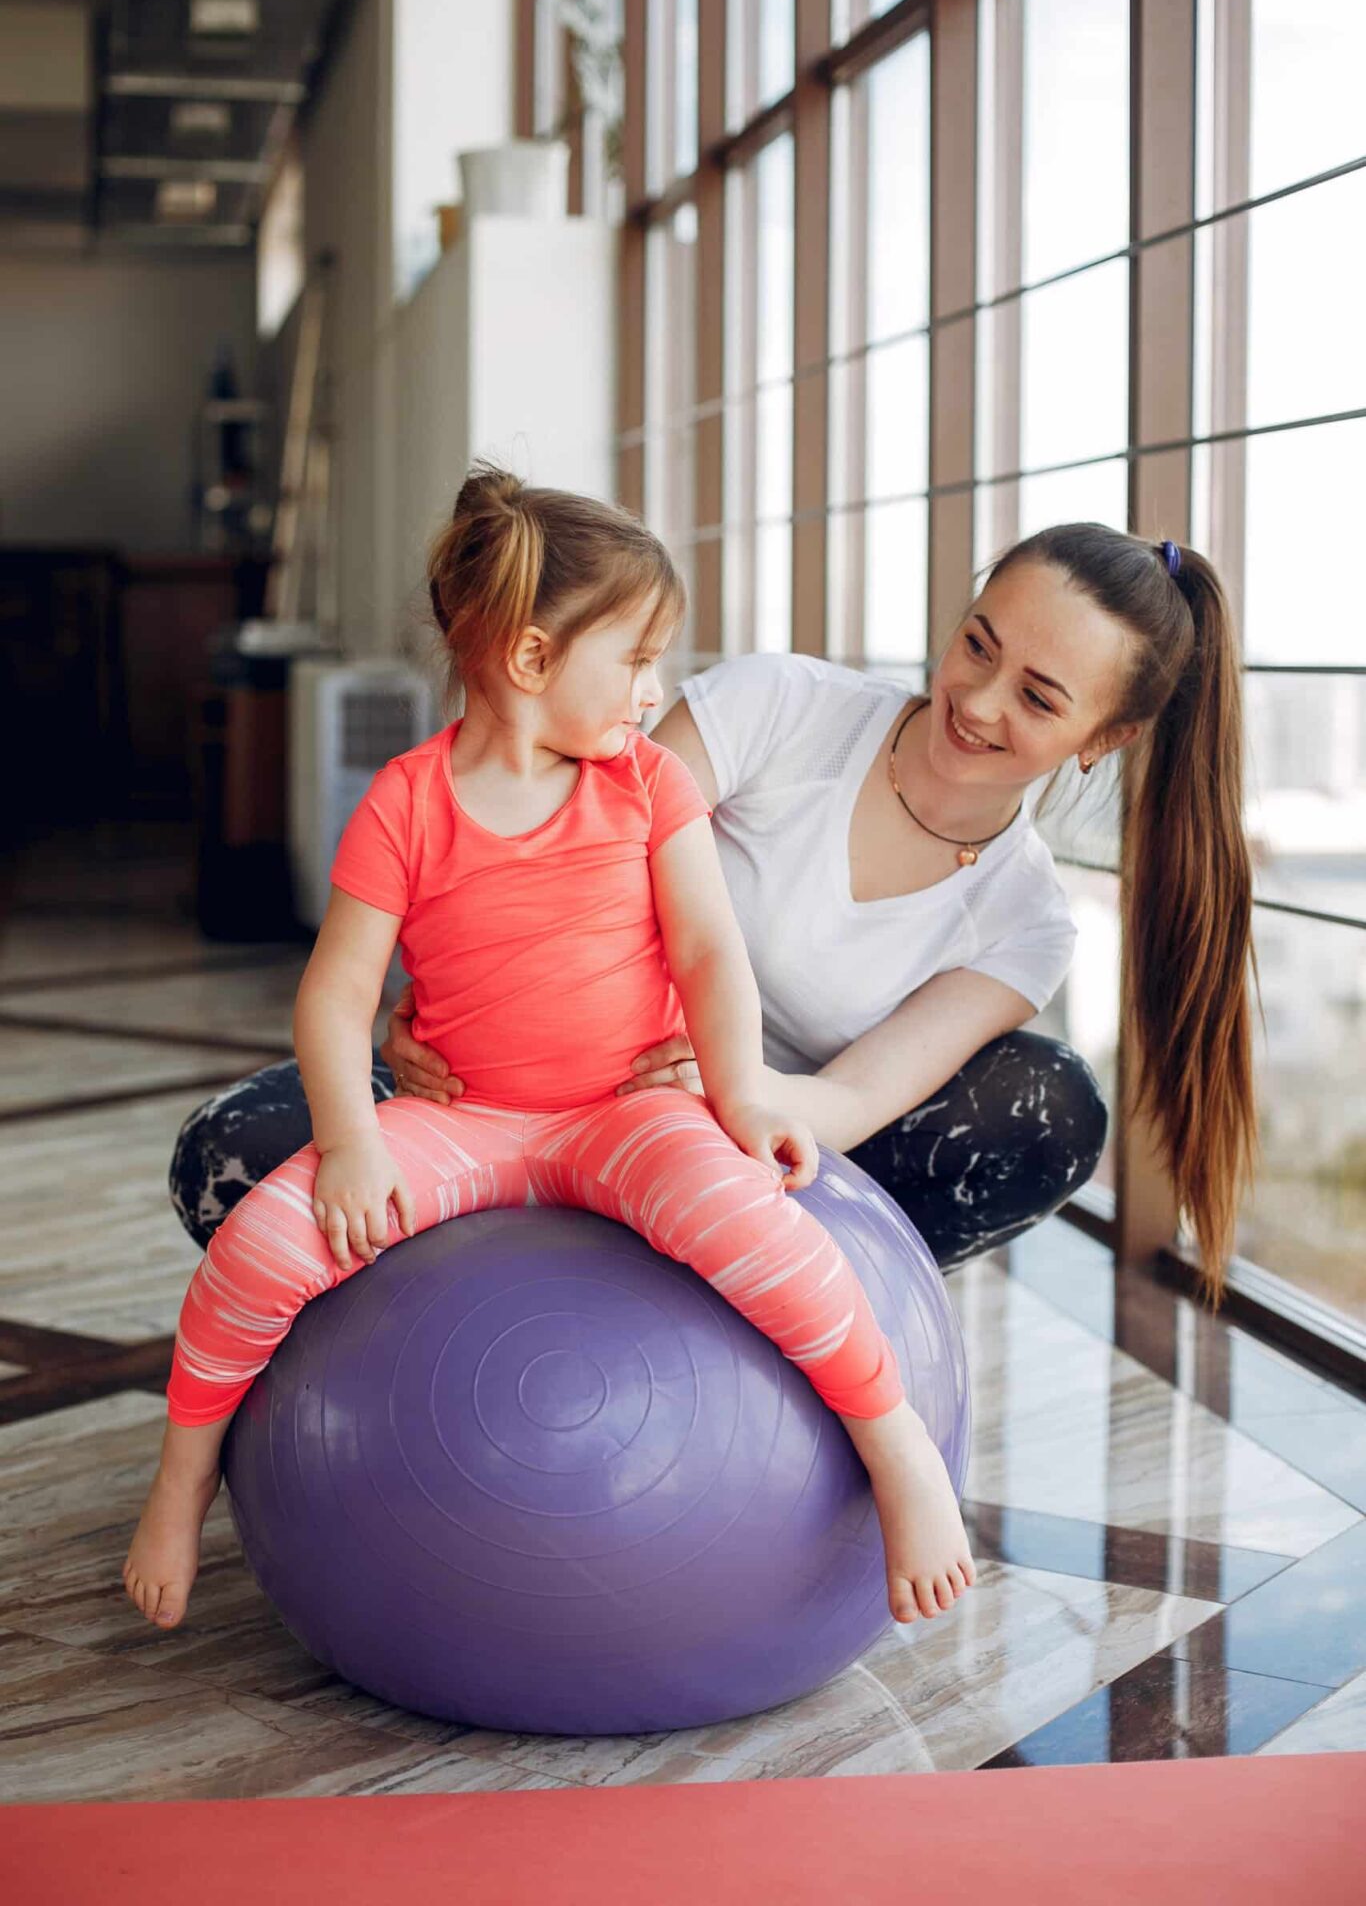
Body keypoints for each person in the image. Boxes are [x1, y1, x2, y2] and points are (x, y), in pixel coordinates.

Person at [123, 469, 978, 1636]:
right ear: (531, 658)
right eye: (634, 660)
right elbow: (333, 1001)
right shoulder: (405, 804)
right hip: (463, 1118)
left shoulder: (647, 784)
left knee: (756, 1229)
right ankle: (180, 1484)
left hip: (622, 1112)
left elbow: (712, 957)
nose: (654, 688)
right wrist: (353, 1141)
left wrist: (738, 1092)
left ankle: (900, 1453)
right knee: (262, 1244)